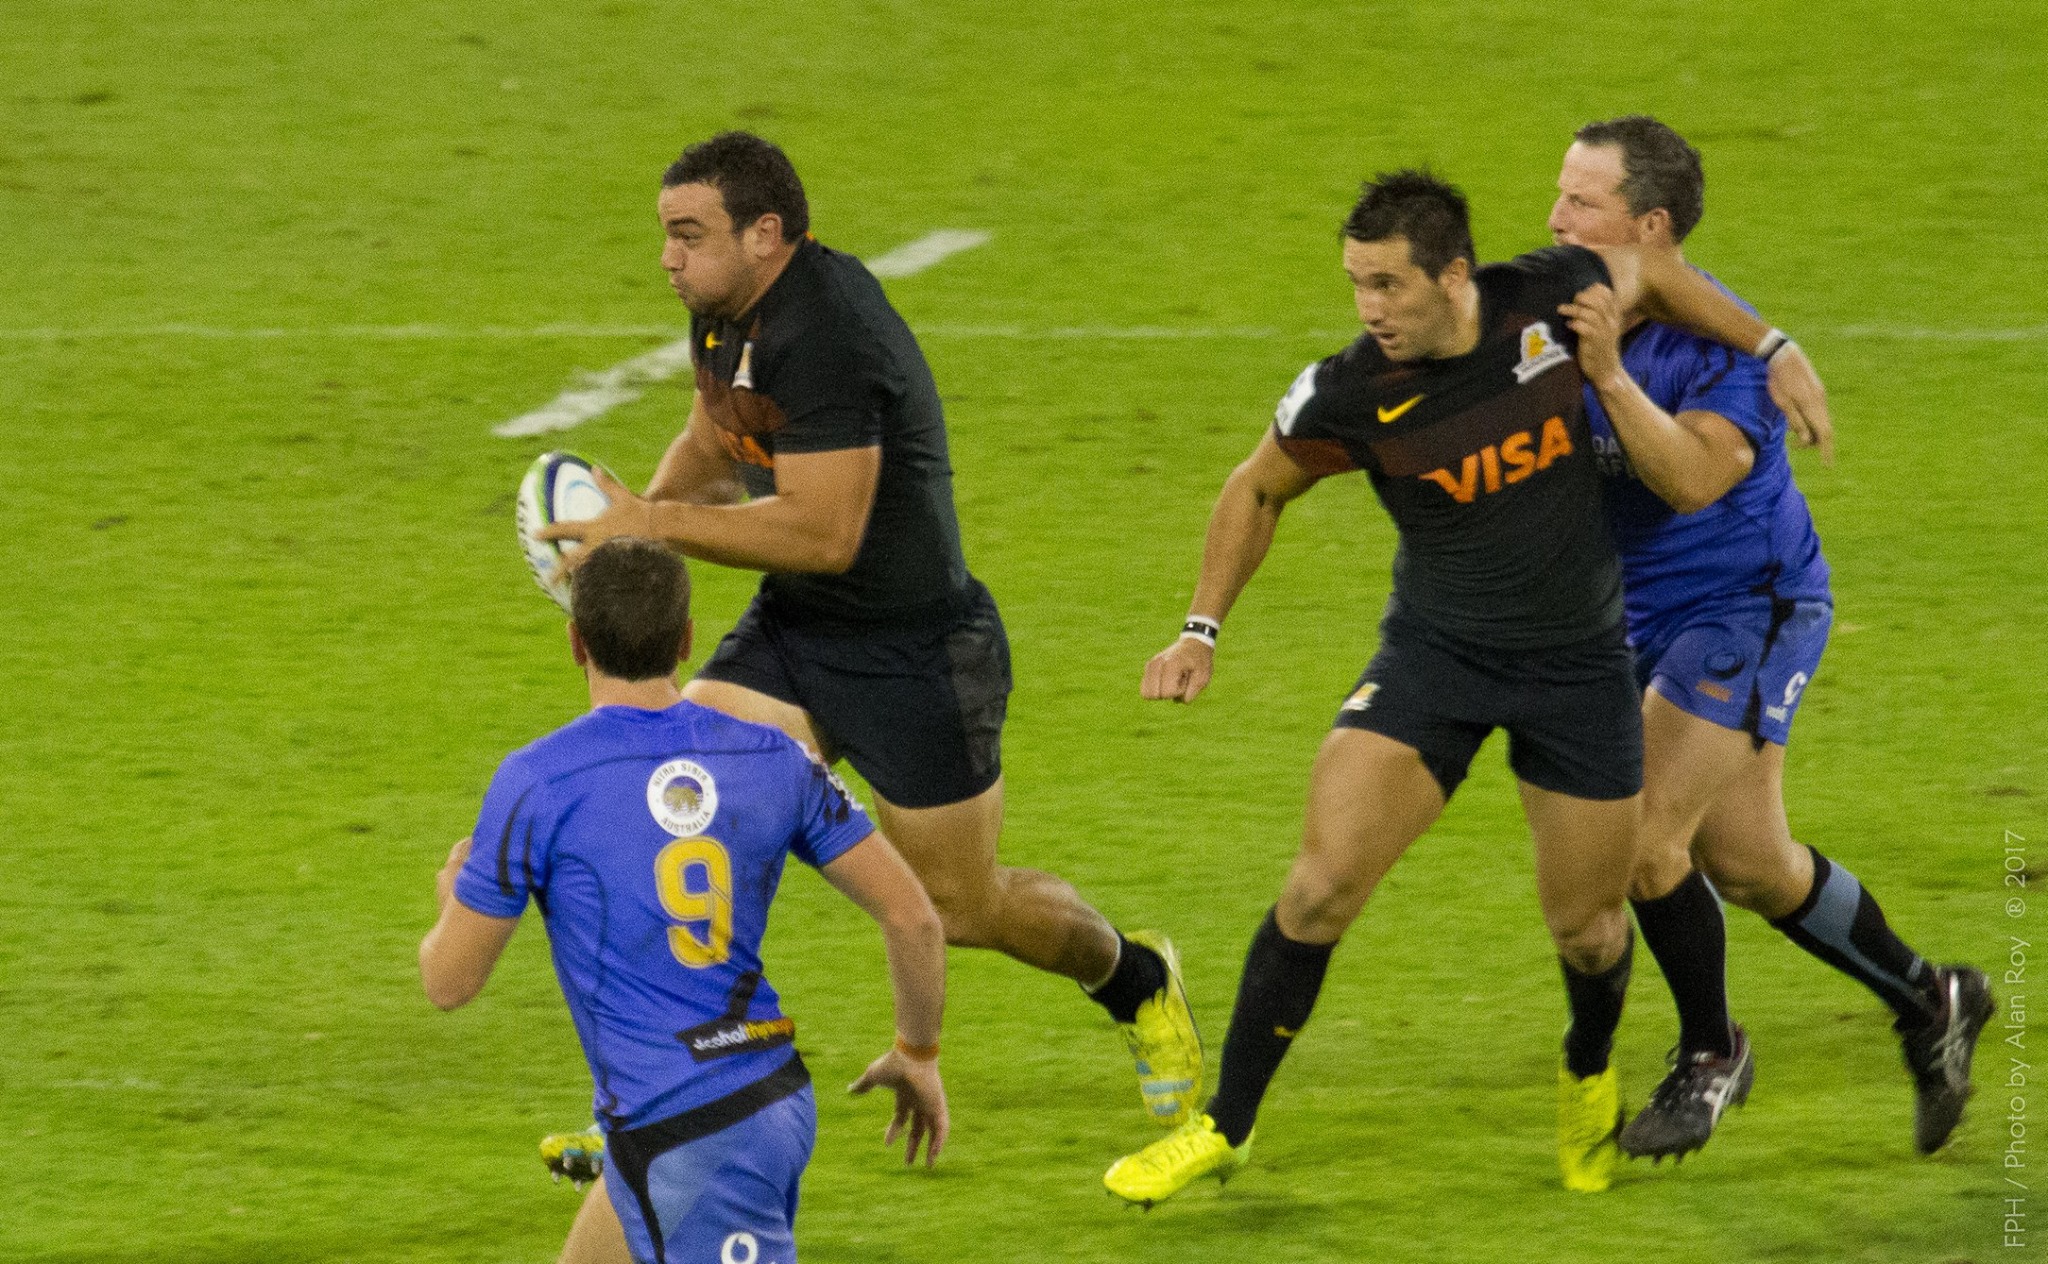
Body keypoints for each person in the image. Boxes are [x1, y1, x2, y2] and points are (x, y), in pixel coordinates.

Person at [1103, 169, 1824, 1207]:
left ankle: (1586, 1069)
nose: (1369, 310)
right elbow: (1257, 484)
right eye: (1355, 284)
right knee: (1317, 887)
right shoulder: (1347, 390)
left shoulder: (1548, 298)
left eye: (1389, 286)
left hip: (1577, 672)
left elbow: (1655, 274)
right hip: (1434, 661)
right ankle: (1227, 1124)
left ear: (1453, 276)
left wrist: (1773, 347)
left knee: (1586, 927)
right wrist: (1197, 629)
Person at [539, 136, 1201, 1141]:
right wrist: (630, 533)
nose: (667, 258)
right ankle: (665, 1101)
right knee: (679, 814)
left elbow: (824, 529)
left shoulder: (830, 331)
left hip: (915, 651)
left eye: (688, 235)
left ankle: (1134, 976)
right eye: (665, 236)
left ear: (765, 235)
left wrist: (653, 525)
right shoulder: (723, 313)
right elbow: (719, 434)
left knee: (963, 906)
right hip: (795, 630)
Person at [1546, 114, 1993, 1160]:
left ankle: (1711, 1053)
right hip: (1636, 615)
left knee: (1646, 838)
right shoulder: (1588, 289)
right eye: (1557, 193)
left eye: (1579, 201)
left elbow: (1693, 481)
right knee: (1748, 864)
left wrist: (1612, 378)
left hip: (1746, 605)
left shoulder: (1717, 357)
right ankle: (1934, 1000)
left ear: (1646, 227)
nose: (1552, 217)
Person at [419, 537, 948, 1264]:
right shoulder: (777, 758)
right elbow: (913, 915)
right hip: (749, 1100)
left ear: (577, 642)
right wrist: (917, 1052)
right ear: (687, 639)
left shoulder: (539, 781)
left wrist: (456, 899)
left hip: (693, 1134)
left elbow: (448, 982)